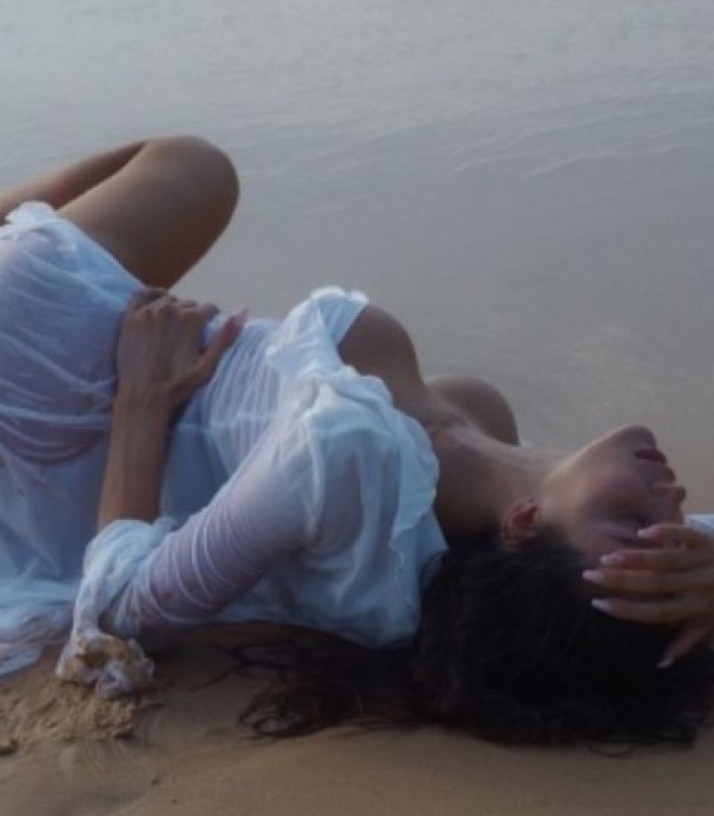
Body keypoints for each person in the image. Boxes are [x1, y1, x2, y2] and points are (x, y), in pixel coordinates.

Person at [1, 137, 713, 746]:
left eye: (631, 517)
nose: (671, 495)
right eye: (675, 528)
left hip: (56, 373)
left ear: (525, 524)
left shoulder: (341, 456)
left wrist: (141, 400)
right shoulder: (462, 502)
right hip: (68, 424)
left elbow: (121, 609)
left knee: (194, 166)